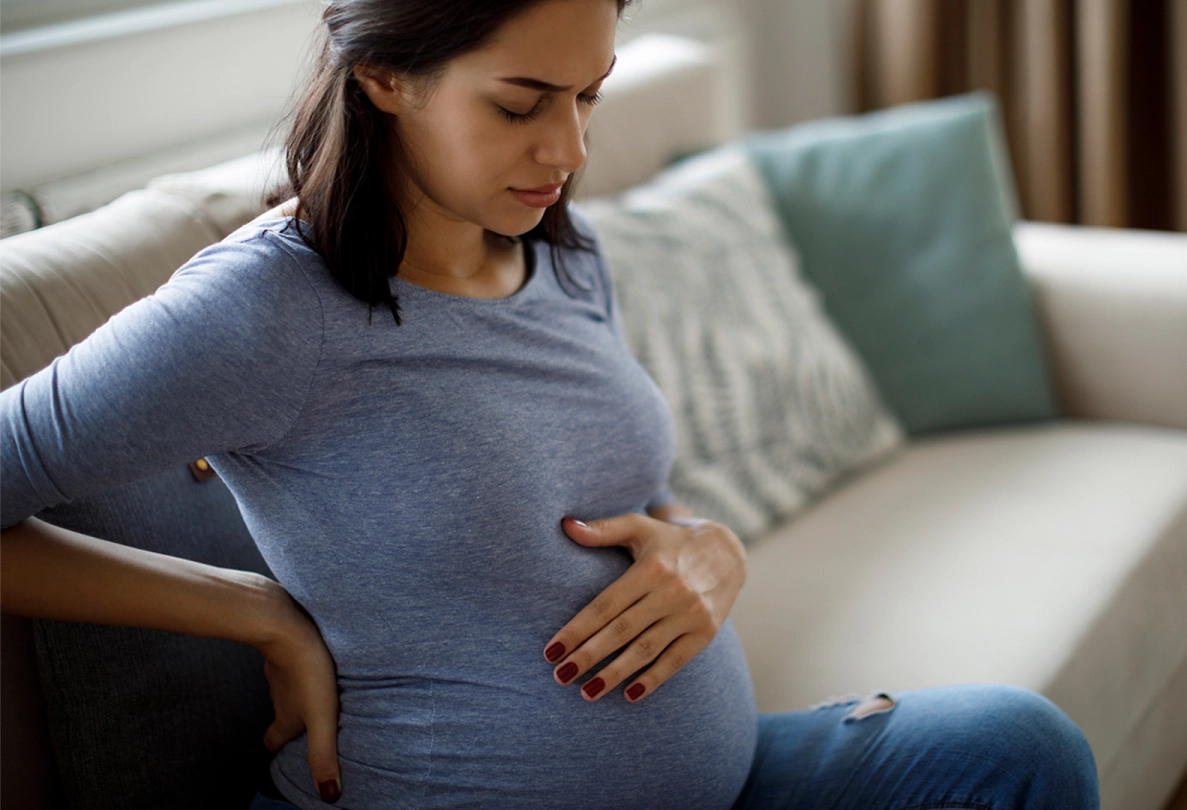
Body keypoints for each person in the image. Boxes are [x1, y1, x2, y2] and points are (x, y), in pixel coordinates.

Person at [0, 1, 1102, 807]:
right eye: (522, 104)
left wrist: (707, 550)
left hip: (717, 776)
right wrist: (253, 612)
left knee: (1018, 749)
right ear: (385, 74)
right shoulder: (268, 306)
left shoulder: (563, 258)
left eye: (588, 96)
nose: (570, 150)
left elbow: (636, 500)